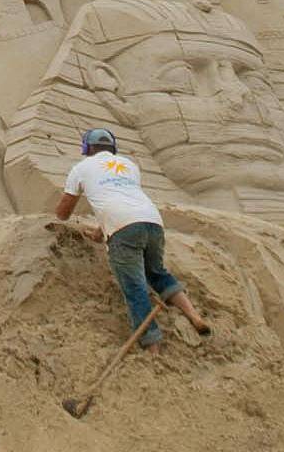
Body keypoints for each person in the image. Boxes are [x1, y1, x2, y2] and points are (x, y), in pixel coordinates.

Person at [52, 126, 211, 355]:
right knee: (157, 272)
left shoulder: (81, 168)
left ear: (87, 148)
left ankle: (153, 347)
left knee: (135, 288)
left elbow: (64, 213)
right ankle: (194, 316)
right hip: (153, 222)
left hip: (122, 228)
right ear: (113, 148)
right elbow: (123, 199)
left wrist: (60, 216)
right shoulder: (130, 166)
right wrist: (99, 232)